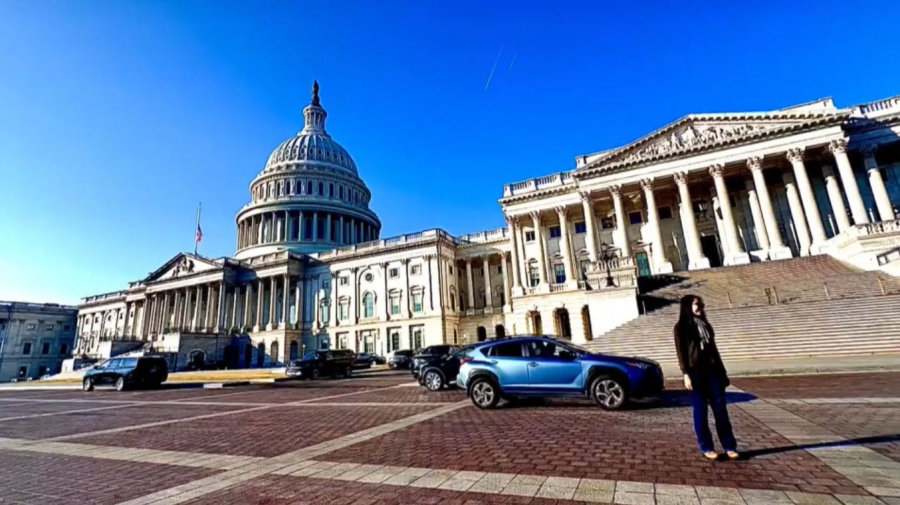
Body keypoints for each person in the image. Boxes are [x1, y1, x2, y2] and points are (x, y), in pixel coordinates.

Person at [674, 294, 738, 460]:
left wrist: (723, 372)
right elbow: (681, 353)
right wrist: (685, 373)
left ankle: (729, 446)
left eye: (701, 304)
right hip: (696, 372)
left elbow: (714, 350)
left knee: (721, 410)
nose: (700, 307)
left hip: (713, 371)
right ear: (687, 306)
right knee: (701, 411)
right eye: (697, 304)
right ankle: (706, 447)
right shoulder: (681, 327)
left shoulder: (705, 325)